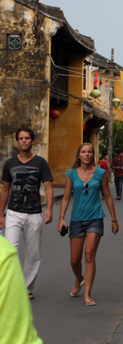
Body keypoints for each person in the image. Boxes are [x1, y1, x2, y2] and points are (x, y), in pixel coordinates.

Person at [57, 143, 119, 306]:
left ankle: (87, 295)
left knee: (89, 255)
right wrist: (61, 218)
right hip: (76, 220)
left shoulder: (101, 173)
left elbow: (108, 196)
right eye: (83, 152)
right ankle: (79, 279)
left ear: (93, 155)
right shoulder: (71, 174)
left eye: (89, 152)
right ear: (79, 155)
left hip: (95, 218)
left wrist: (114, 219)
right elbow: (65, 197)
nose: (86, 154)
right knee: (74, 260)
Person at [0, 126, 54, 300]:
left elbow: (48, 186)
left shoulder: (40, 163)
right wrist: (0, 214)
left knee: (33, 253)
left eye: (27, 138)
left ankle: (26, 289)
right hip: (14, 212)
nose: (24, 141)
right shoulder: (10, 163)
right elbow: (5, 190)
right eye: (21, 138)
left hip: (34, 213)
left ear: (32, 141)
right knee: (10, 251)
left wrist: (50, 209)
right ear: (18, 142)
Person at [0, 235, 43, 344]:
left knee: (33, 253)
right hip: (14, 217)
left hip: (34, 217)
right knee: (11, 246)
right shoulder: (4, 252)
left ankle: (27, 289)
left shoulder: (4, 253)